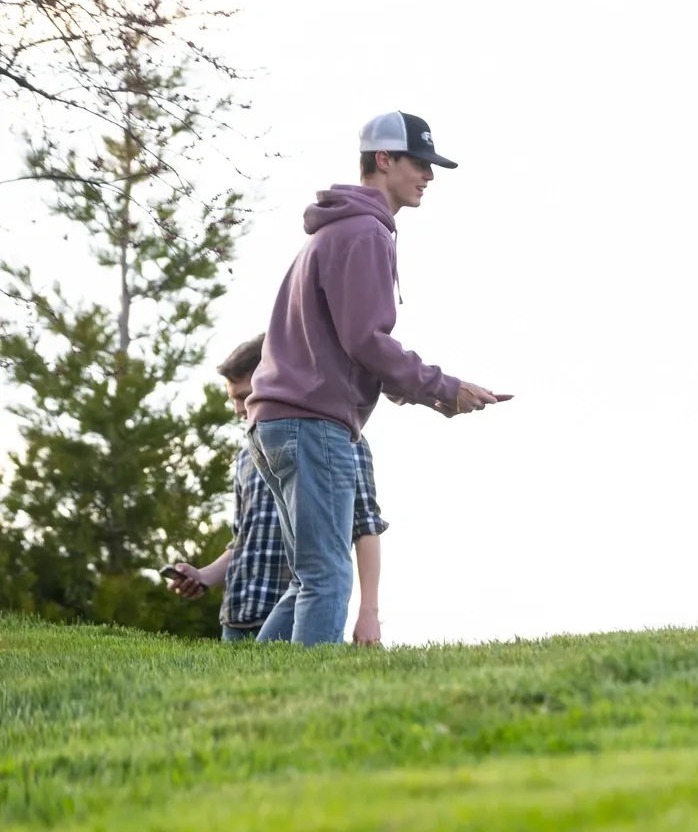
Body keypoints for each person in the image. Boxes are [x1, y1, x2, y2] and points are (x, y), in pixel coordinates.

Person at [243, 110, 506, 646]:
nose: (429, 176)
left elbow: (346, 341)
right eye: (420, 163)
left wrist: (416, 392)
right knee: (327, 577)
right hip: (312, 425)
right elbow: (365, 339)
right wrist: (441, 387)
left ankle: (254, 683)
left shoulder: (339, 230)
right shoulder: (365, 232)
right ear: (384, 160)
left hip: (278, 421)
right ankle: (304, 707)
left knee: (310, 577)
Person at [166, 334, 391, 645]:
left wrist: (368, 612)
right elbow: (243, 541)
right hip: (237, 618)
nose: (236, 409)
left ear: (274, 379)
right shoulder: (247, 455)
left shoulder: (340, 441)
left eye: (243, 396)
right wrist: (204, 576)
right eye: (231, 398)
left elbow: (365, 526)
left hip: (300, 617)